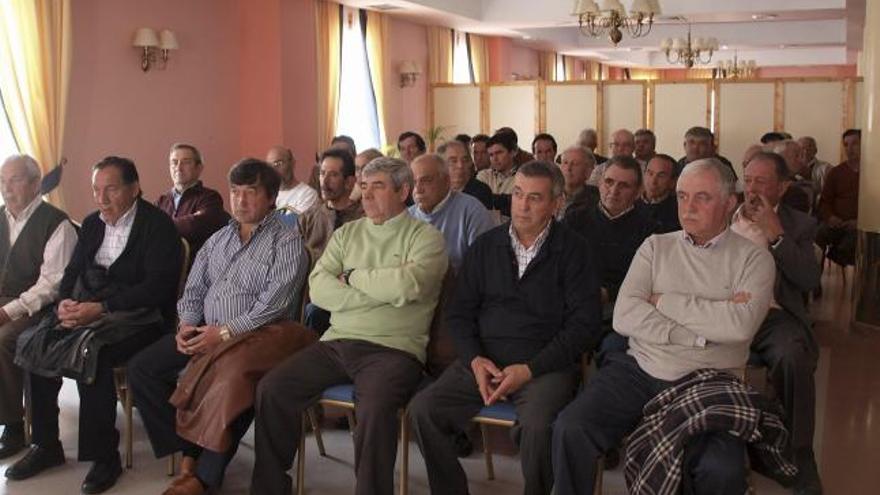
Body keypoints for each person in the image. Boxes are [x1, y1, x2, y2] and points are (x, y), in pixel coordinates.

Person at [552, 158, 776, 495]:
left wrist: (664, 301)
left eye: (703, 197)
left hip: (709, 378)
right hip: (639, 368)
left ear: (730, 203)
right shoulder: (656, 246)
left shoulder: (754, 258)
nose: (689, 208)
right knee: (571, 427)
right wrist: (698, 332)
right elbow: (624, 315)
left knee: (721, 468)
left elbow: (739, 326)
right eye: (683, 196)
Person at [250, 157, 448, 495]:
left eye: (379, 187)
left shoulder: (426, 237)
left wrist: (353, 278)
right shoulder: (347, 233)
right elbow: (319, 288)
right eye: (365, 187)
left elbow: (408, 287)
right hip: (338, 341)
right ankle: (269, 487)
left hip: (395, 349)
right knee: (273, 388)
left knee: (374, 409)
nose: (367, 195)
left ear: (403, 191)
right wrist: (379, 296)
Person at [409, 160, 602, 495]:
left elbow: (583, 326)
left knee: (539, 428)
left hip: (545, 366)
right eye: (517, 194)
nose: (522, 205)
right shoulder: (486, 246)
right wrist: (474, 360)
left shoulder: (575, 251)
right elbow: (460, 314)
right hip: (484, 360)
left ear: (556, 204)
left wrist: (530, 369)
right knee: (423, 411)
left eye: (535, 198)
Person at [128, 158, 315, 495]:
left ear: (271, 197)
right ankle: (190, 451)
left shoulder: (286, 243)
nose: (240, 201)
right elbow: (194, 289)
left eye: (251, 193)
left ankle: (200, 476)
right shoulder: (217, 239)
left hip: (259, 337)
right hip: (204, 332)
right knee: (142, 369)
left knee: (231, 381)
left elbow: (273, 306)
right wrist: (186, 325)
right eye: (235, 192)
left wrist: (223, 333)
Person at [10, 156, 182, 494]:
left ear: (134, 189)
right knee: (34, 341)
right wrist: (65, 305)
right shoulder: (91, 224)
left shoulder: (158, 226)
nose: (101, 199)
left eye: (111, 189)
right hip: (90, 308)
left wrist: (102, 308)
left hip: (141, 318)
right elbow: (72, 272)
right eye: (95, 190)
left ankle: (105, 457)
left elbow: (157, 288)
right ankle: (46, 446)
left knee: (95, 355)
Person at [733, 151, 823, 495]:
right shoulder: (723, 214)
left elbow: (807, 279)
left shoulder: (799, 224)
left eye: (762, 182)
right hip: (720, 310)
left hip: (772, 315)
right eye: (748, 180)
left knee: (793, 357)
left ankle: (800, 455)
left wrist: (777, 235)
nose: (752, 189)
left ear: (783, 187)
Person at [0, 155, 77, 460]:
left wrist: (7, 312)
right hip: (7, 301)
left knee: (4, 340)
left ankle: (13, 425)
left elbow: (51, 285)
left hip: (40, 308)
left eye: (14, 180)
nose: (6, 187)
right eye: (3, 180)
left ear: (35, 183)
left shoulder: (56, 223)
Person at [565, 156, 655, 325]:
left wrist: (609, 293)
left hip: (621, 306)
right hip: (573, 299)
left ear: (637, 192)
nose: (614, 191)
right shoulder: (575, 218)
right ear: (599, 183)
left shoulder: (650, 230)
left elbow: (649, 281)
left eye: (624, 185)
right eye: (609, 182)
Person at [408, 153, 495, 271]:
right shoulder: (407, 217)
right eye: (414, 182)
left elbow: (483, 266)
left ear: (446, 181)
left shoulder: (471, 211)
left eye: (426, 180)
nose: (418, 189)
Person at [156, 143, 229, 258]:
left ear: (199, 168)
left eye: (186, 162)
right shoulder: (161, 201)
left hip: (195, 269)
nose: (178, 168)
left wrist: (160, 227)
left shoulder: (210, 198)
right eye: (174, 162)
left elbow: (195, 226)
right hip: (162, 265)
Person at [817, 129, 860, 267]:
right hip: (837, 223)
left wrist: (859, 222)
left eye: (855, 144)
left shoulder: (873, 173)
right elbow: (825, 201)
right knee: (818, 234)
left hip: (859, 226)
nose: (850, 149)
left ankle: (839, 255)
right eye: (846, 145)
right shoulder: (836, 172)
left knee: (853, 241)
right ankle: (814, 281)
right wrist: (830, 217)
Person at [438, 140, 493, 209]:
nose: (460, 165)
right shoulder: (436, 190)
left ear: (470, 163)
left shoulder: (481, 191)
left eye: (465, 160)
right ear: (441, 165)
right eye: (453, 161)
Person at [477, 132, 519, 218]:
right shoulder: (483, 175)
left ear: (513, 152)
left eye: (499, 153)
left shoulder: (523, 177)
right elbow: (477, 204)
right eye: (491, 155)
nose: (495, 159)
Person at [267, 146, 319, 213]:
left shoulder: (308, 194)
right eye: (270, 165)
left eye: (278, 163)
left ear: (292, 163)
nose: (274, 169)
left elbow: (297, 222)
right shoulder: (267, 195)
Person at [638, 153, 681, 233]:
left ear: (673, 182)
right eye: (650, 173)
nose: (653, 181)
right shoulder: (630, 204)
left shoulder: (679, 211)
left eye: (661, 176)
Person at [557, 146, 598, 219]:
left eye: (575, 164)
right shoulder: (550, 193)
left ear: (588, 171)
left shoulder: (596, 200)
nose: (568, 168)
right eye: (565, 163)